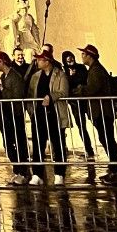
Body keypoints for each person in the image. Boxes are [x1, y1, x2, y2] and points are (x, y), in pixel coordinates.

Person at [75, 44, 117, 186]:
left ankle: (116, 171)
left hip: (103, 111)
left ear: (90, 56)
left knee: (108, 140)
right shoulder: (94, 69)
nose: (82, 57)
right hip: (100, 111)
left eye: (84, 54)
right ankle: (114, 169)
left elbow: (93, 88)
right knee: (106, 139)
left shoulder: (96, 70)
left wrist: (80, 89)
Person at [26, 49, 70, 186]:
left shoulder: (60, 75)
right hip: (39, 115)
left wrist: (51, 97)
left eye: (40, 59)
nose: (37, 62)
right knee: (38, 145)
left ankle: (59, 173)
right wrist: (32, 110)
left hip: (54, 115)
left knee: (58, 145)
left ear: (47, 61)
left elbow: (63, 91)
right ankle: (37, 173)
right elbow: (30, 93)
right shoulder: (35, 76)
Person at [0, 51, 29, 185]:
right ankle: (16, 169)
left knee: (18, 142)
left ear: (2, 62)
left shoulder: (15, 77)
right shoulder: (4, 76)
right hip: (5, 113)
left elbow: (16, 95)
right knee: (8, 143)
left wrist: (3, 90)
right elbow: (1, 94)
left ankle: (23, 171)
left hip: (15, 114)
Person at [62, 50, 96, 167]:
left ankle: (90, 148)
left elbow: (85, 80)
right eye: (67, 60)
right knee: (81, 125)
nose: (70, 61)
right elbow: (66, 86)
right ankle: (88, 148)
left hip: (84, 100)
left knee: (93, 122)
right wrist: (70, 77)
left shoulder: (81, 68)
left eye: (71, 58)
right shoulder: (64, 71)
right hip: (74, 103)